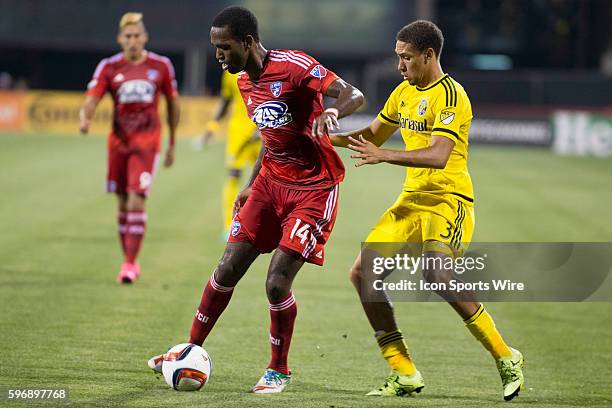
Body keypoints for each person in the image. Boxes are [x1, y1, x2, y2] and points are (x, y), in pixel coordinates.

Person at [148, 6, 364, 393]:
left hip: (313, 189)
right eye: (215, 47)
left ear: (248, 43)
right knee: (228, 265)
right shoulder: (244, 82)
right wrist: (250, 184)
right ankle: (187, 350)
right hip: (268, 183)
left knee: (277, 282)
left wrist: (331, 111)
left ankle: (278, 370)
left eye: (224, 47)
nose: (218, 55)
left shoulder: (294, 66)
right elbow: (271, 137)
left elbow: (353, 93)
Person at [330, 20, 524, 401]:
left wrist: (384, 155)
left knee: (437, 274)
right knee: (363, 275)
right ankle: (403, 372)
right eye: (397, 57)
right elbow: (370, 136)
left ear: (428, 55)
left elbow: (438, 155)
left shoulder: (452, 96)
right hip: (411, 202)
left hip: (448, 200)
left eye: (406, 58)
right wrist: (318, 136)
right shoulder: (402, 93)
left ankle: (506, 356)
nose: (399, 65)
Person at [79, 12, 180, 283]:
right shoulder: (109, 67)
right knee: (122, 202)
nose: (133, 40)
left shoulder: (161, 66)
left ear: (144, 37)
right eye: (128, 36)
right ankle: (128, 260)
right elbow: (93, 97)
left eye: (137, 35)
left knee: (137, 198)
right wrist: (85, 117)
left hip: (147, 144)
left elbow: (172, 104)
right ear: (120, 39)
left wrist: (172, 142)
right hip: (119, 144)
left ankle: (130, 263)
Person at [197, 70, 260, 238]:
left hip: (263, 132)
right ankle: (229, 226)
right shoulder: (230, 72)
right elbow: (226, 101)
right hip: (239, 133)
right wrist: (212, 127)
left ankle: (263, 224)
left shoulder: (266, 68)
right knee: (233, 176)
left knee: (266, 180)